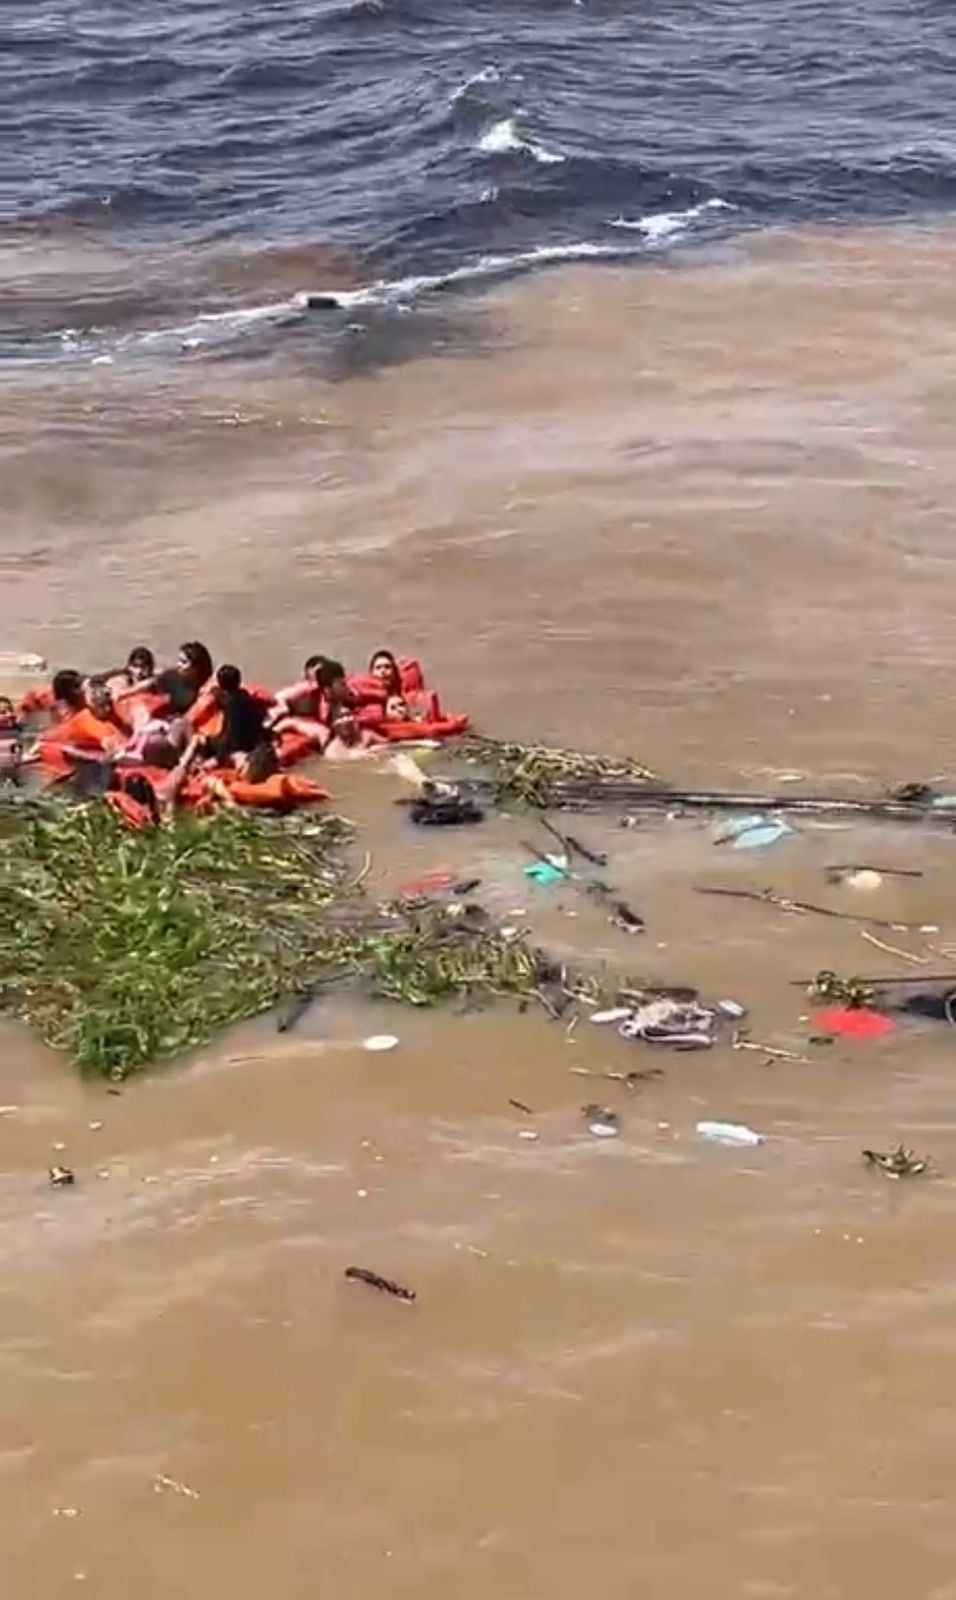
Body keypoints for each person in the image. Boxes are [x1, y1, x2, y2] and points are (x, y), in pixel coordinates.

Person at [200, 664, 268, 763]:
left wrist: (219, 757)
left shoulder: (228, 704)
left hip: (234, 746)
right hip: (251, 742)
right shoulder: (246, 697)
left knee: (199, 740)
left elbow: (229, 733)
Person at [155, 641, 215, 716]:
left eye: (184, 662)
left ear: (197, 667)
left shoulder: (208, 688)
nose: (178, 665)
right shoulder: (169, 678)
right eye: (179, 660)